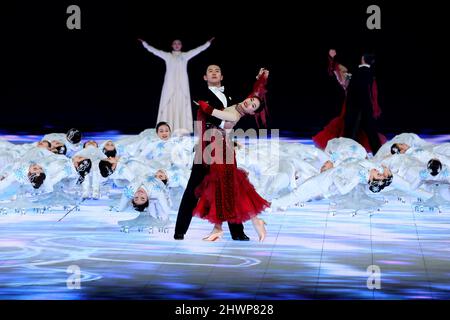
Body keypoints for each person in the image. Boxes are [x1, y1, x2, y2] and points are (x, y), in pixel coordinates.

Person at [173, 64, 253, 241]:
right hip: (207, 145)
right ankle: (180, 230)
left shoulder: (230, 95)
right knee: (194, 188)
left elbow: (248, 105)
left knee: (229, 186)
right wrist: (228, 124)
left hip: (225, 146)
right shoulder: (199, 95)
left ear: (222, 76)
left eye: (217, 70)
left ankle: (237, 232)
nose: (214, 73)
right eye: (210, 71)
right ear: (205, 77)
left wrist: (260, 80)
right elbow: (210, 115)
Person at [193, 68, 270, 242]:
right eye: (250, 101)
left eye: (253, 106)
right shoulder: (241, 105)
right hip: (218, 147)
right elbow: (254, 94)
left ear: (252, 113)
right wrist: (261, 80)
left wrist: (202, 103)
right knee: (226, 187)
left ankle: (223, 226)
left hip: (221, 149)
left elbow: (213, 112)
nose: (249, 103)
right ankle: (240, 223)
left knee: (225, 186)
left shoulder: (234, 114)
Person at [138, 38, 215, 134]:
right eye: (175, 43)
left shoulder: (185, 56)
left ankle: (181, 128)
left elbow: (198, 50)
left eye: (179, 43)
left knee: (181, 103)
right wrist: (145, 43)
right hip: (170, 86)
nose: (177, 45)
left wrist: (207, 43)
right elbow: (154, 51)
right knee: (168, 105)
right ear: (172, 45)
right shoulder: (167, 56)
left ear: (181, 46)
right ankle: (166, 127)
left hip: (182, 87)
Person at [343, 53, 383, 154]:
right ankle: (378, 152)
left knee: (351, 131)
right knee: (371, 132)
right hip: (367, 106)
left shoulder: (357, 72)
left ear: (362, 59)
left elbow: (352, 91)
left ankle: (347, 152)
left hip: (355, 107)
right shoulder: (371, 72)